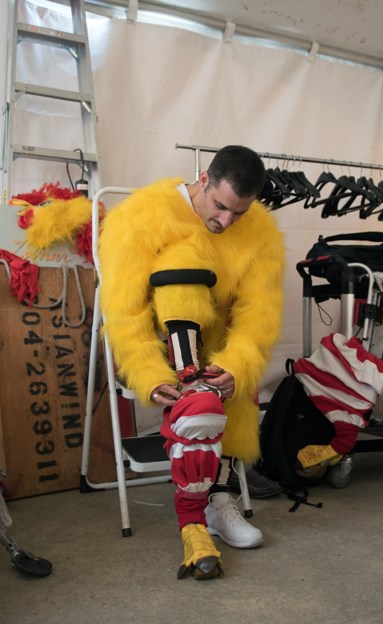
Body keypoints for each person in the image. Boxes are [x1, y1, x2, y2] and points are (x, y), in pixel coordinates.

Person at [98, 145, 285, 580]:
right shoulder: (142, 216)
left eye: (238, 214)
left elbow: (259, 313)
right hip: (161, 341)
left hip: (215, 343)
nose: (225, 222)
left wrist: (238, 365)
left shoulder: (261, 232)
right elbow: (123, 312)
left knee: (235, 370)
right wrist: (148, 371)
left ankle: (218, 499)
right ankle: (195, 515)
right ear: (203, 178)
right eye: (220, 207)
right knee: (183, 258)